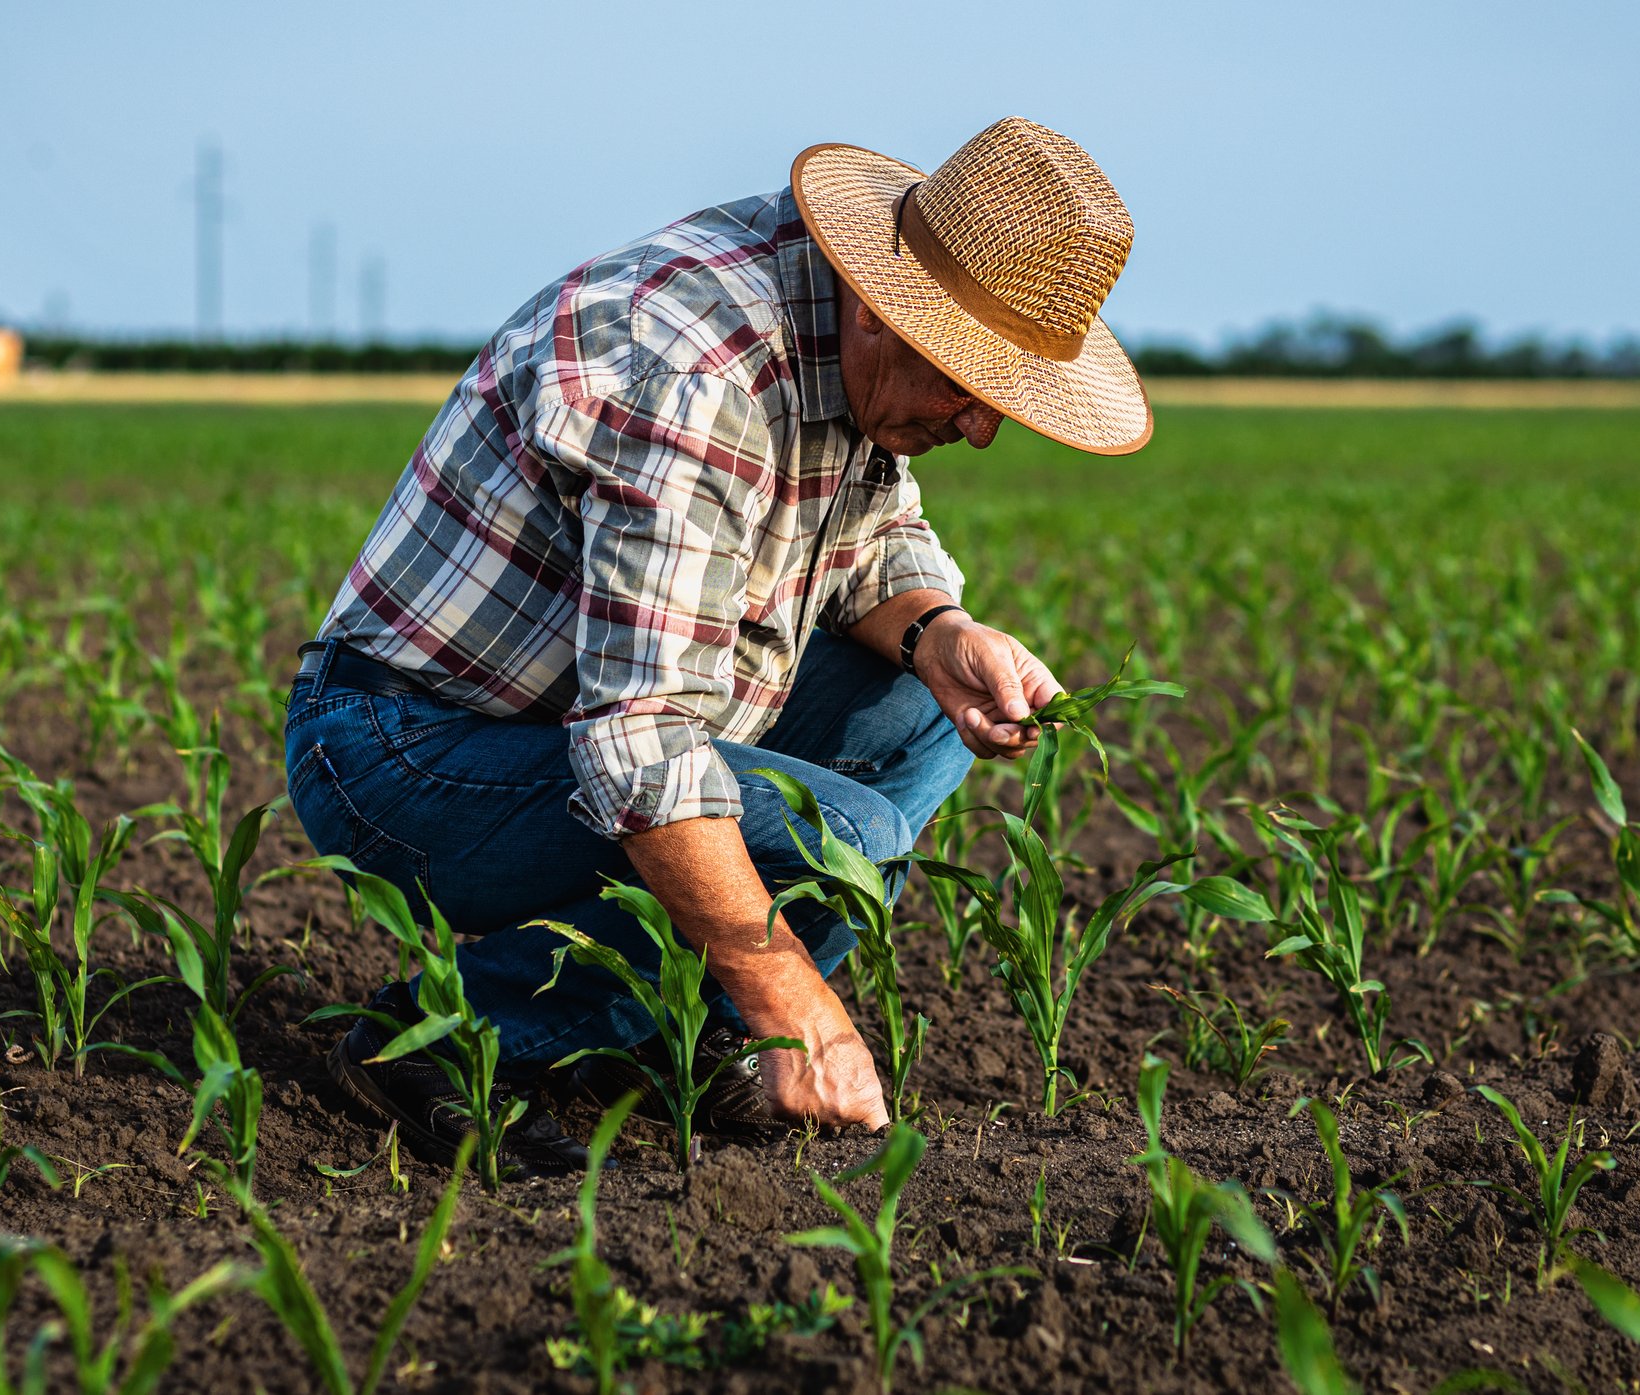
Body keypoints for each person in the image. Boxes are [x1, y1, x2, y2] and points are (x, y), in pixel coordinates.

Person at [286, 116, 1153, 1171]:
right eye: (971, 387)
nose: (981, 427)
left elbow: (873, 536)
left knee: (922, 705)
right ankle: (440, 1036)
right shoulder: (693, 376)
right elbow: (641, 746)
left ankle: (655, 1031)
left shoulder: (848, 347)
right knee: (847, 842)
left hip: (575, 726)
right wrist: (795, 1002)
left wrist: (941, 632)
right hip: (410, 747)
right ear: (884, 313)